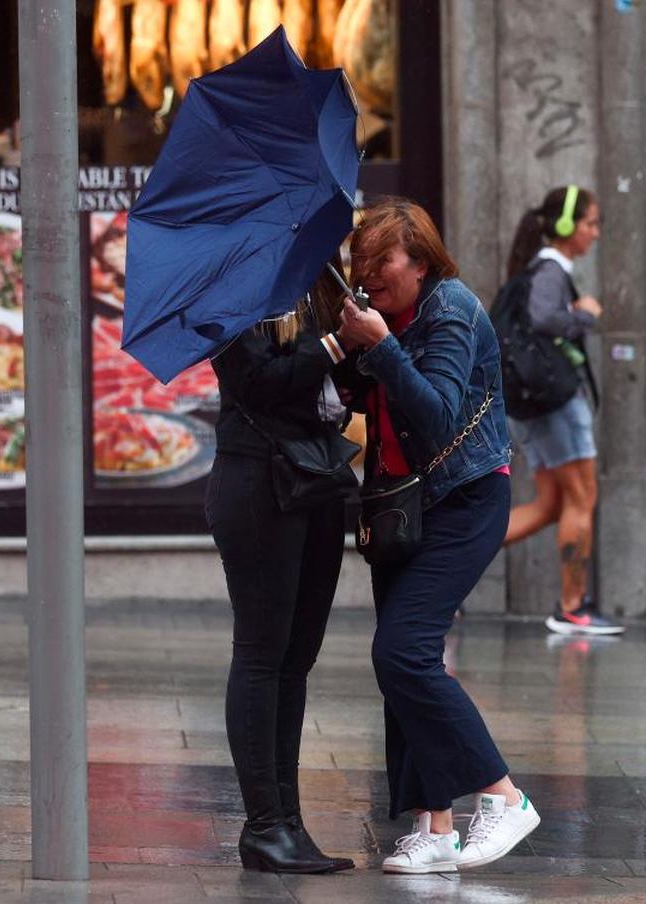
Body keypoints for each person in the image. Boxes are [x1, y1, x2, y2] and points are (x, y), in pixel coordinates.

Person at [335, 198, 539, 874]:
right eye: (361, 265)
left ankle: (504, 797)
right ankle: (436, 827)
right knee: (400, 662)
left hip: (465, 499)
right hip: (401, 504)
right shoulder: (385, 315)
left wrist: (382, 348)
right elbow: (364, 407)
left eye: (382, 262)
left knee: (403, 651)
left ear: (420, 260)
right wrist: (349, 348)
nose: (370, 275)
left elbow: (438, 413)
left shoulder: (450, 309)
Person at [205, 263, 356, 874]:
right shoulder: (231, 283)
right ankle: (263, 825)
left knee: (297, 658)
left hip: (315, 478)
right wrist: (337, 344)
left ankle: (288, 822)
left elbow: (329, 379)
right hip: (258, 482)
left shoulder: (318, 277)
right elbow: (257, 383)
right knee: (263, 654)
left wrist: (355, 343)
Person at [502, 186, 623, 637]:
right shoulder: (552, 269)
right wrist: (585, 314)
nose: (594, 233)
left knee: (553, 504)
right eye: (591, 223)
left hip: (537, 405)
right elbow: (543, 319)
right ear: (568, 226)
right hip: (556, 404)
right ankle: (572, 608)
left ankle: (450, 558)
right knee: (581, 499)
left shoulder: (540, 268)